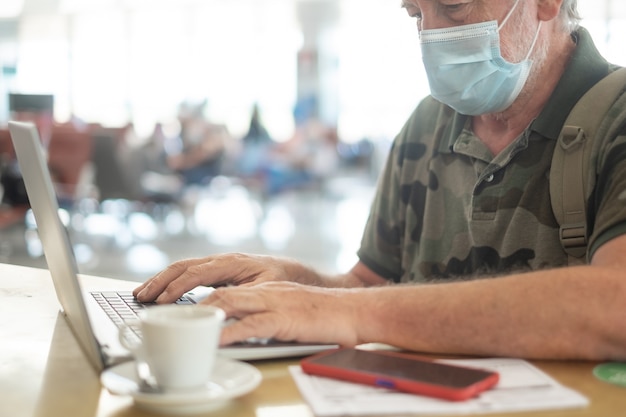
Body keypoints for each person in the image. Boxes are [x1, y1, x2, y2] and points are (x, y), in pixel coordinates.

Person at [134, 0, 626, 361]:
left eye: (452, 7)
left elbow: (615, 307)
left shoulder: (614, 117)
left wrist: (357, 312)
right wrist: (296, 283)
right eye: (416, 14)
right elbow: (369, 285)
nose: (431, 36)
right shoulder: (428, 124)